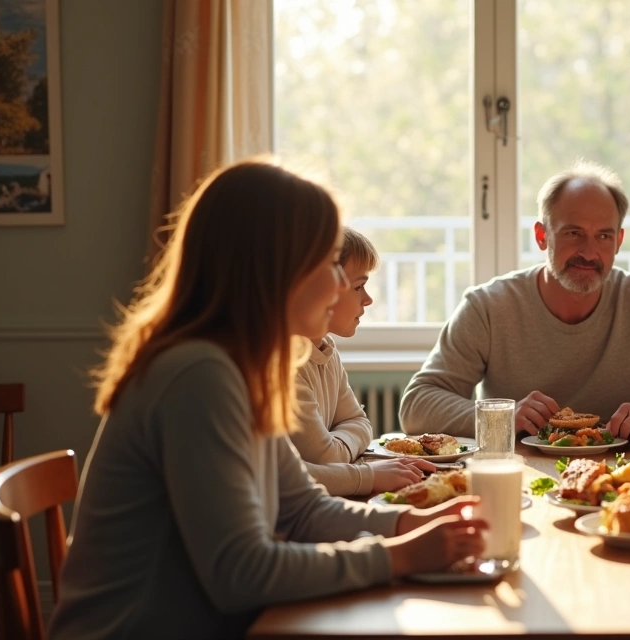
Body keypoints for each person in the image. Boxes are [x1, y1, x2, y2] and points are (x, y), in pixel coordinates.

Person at [50, 160, 487, 640]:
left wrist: (414, 520)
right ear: (275, 270)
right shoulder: (199, 375)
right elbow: (241, 574)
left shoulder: (246, 367)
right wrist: (399, 555)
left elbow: (302, 509)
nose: (343, 286)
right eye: (328, 266)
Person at [400, 160, 630, 443]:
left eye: (603, 236)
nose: (589, 252)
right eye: (573, 233)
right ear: (541, 236)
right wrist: (502, 416)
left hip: (618, 478)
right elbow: (416, 405)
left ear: (618, 242)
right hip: (518, 475)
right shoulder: (488, 306)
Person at [291, 227, 433, 496]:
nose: (368, 299)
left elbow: (359, 421)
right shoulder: (288, 366)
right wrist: (348, 459)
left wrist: (336, 445)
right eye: (358, 286)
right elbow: (326, 460)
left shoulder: (327, 351)